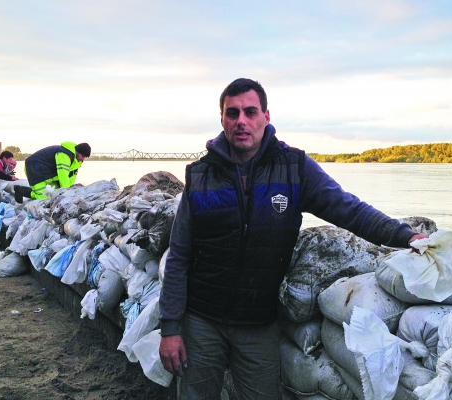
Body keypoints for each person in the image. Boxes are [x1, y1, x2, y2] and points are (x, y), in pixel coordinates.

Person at [158, 78, 428, 399]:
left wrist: (404, 236)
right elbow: (179, 254)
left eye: (250, 112)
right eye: (232, 113)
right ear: (222, 119)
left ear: (266, 117)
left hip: (258, 323)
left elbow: (348, 209)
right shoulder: (200, 175)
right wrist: (170, 327)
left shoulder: (294, 169)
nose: (241, 120)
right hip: (201, 320)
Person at [23, 142, 91, 199]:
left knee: (54, 193)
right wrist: (66, 192)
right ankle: (21, 191)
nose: (83, 159)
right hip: (34, 167)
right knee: (45, 196)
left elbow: (71, 176)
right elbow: (63, 174)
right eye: (83, 156)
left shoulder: (76, 161)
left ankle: (27, 192)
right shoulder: (64, 154)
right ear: (77, 151)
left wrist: (69, 189)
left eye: (85, 157)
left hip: (46, 171)